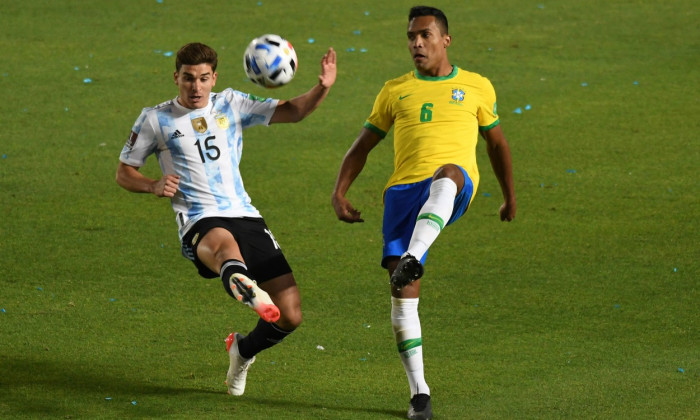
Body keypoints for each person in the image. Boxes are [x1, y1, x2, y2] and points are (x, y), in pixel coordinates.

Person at [116, 42, 336, 396]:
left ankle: (243, 349)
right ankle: (246, 287)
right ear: (176, 77)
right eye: (188, 78)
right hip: (199, 219)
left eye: (203, 78)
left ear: (214, 77)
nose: (195, 87)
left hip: (245, 213)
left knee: (291, 315)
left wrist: (323, 86)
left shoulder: (231, 103)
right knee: (224, 249)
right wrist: (152, 184)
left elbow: (293, 111)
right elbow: (125, 172)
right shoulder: (155, 119)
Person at [331, 6, 515, 420]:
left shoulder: (476, 86)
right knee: (402, 301)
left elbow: (497, 144)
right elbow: (362, 146)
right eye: (412, 36)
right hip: (401, 193)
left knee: (449, 173)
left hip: (452, 185)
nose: (417, 43)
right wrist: (339, 192)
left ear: (445, 40)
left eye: (425, 36)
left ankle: (413, 258)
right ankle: (420, 396)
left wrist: (509, 196)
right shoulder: (395, 90)